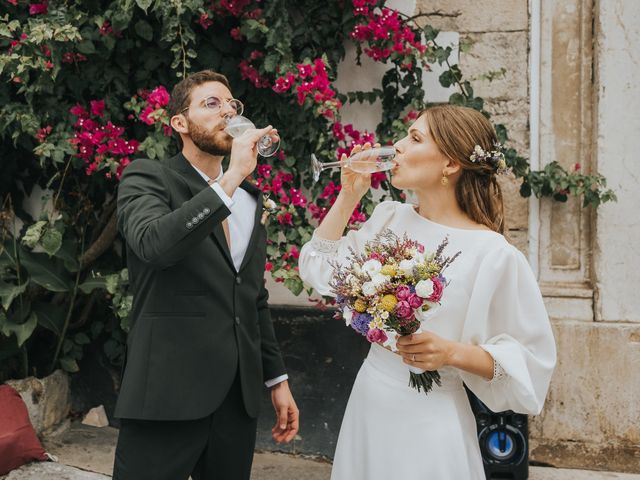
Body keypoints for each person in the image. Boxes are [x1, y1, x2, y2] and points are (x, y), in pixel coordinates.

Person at [298, 104, 556, 479]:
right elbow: (317, 269)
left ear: (450, 165)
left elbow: (530, 364)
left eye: (415, 138)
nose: (397, 146)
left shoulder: (495, 255)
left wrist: (453, 352)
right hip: (370, 398)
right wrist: (348, 197)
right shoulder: (390, 217)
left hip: (432, 416)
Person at [113, 70, 299, 480]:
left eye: (231, 104)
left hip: (237, 399)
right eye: (211, 104)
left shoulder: (250, 199)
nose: (227, 111)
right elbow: (155, 246)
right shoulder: (148, 177)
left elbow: (251, 295)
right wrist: (230, 179)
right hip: (166, 392)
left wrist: (277, 379)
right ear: (180, 123)